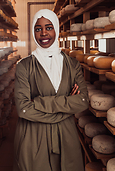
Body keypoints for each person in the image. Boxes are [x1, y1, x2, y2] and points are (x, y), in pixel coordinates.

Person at [13, 9, 89, 171]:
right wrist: (66, 107)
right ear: (34, 32)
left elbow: (82, 101)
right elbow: (23, 109)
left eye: (49, 27)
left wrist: (39, 102)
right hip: (34, 136)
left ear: (56, 28)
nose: (44, 33)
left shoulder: (72, 65)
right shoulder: (24, 66)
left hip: (66, 135)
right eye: (38, 29)